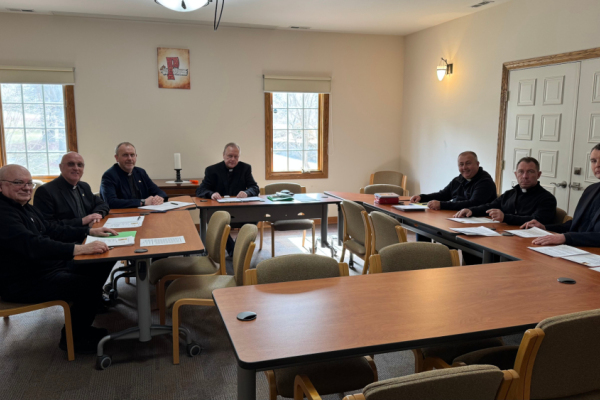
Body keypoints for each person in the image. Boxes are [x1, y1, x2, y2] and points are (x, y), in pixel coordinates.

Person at [0, 165, 118, 354]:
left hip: (46, 267)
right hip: (22, 281)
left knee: (101, 260)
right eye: (18, 182)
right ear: (1, 186)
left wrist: (89, 231)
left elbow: (52, 229)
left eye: (29, 183)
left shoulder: (25, 207)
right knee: (87, 286)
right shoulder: (4, 213)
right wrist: (80, 248)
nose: (26, 187)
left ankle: (84, 314)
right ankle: (74, 339)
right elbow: (34, 245)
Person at [522, 144, 600, 247]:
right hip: (578, 247)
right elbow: (577, 224)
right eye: (593, 161)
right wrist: (545, 228)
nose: (597, 165)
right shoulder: (590, 190)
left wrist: (566, 237)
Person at [454, 157, 556, 225]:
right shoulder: (510, 194)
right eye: (521, 172)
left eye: (530, 172)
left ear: (538, 175)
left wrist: (505, 217)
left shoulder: (547, 199)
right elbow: (490, 206)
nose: (525, 176)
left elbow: (536, 221)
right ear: (516, 174)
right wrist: (471, 211)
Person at [197, 143, 259, 254]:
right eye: (230, 156)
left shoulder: (245, 168)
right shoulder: (212, 170)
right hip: (219, 209)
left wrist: (247, 192)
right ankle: (232, 249)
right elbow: (200, 190)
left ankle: (239, 245)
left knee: (255, 215)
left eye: (236, 156)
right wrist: (211, 194)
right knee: (215, 219)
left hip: (240, 209)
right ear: (223, 155)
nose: (233, 159)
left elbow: (254, 187)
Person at [34, 152, 110, 226]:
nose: (76, 168)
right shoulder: (45, 191)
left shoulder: (84, 186)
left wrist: (97, 214)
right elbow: (47, 225)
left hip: (92, 230)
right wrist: (82, 221)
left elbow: (102, 203)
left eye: (80, 165)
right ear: (61, 167)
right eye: (71, 164)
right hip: (70, 234)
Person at [410, 151, 497, 210]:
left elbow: (473, 204)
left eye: (468, 163)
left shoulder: (485, 182)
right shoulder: (458, 180)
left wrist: (442, 205)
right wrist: (422, 197)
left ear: (477, 164)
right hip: (457, 216)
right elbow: (443, 195)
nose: (464, 168)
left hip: (478, 221)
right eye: (461, 164)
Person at [100, 142, 167, 209]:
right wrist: (142, 202)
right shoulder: (109, 176)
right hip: (122, 214)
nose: (130, 158)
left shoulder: (140, 172)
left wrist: (159, 198)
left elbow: (160, 192)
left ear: (136, 156)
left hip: (143, 212)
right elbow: (111, 202)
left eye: (132, 155)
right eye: (125, 155)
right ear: (116, 158)